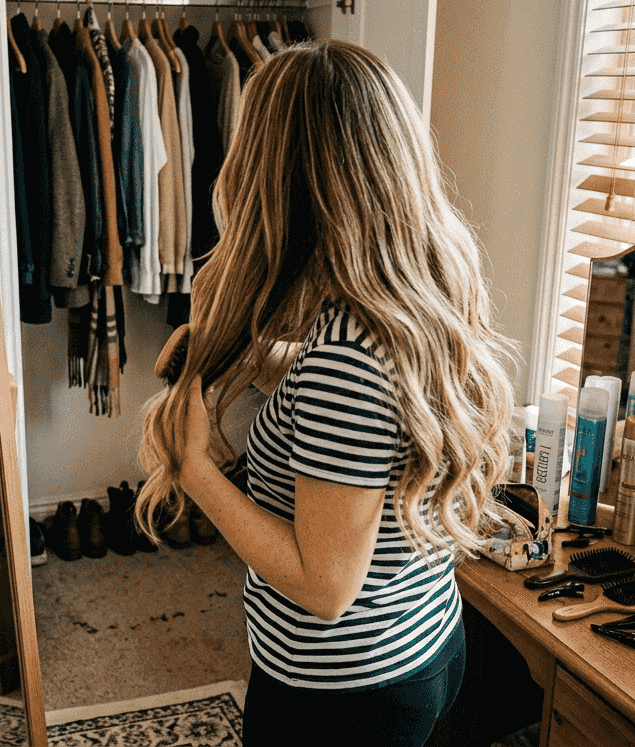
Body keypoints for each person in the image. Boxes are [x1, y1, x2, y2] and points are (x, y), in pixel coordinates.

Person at [137, 40, 517, 747]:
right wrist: (261, 358)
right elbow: (367, 415)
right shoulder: (412, 296)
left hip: (341, 698)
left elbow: (324, 587)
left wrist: (194, 468)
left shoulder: (347, 350)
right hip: (422, 636)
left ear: (280, 178)